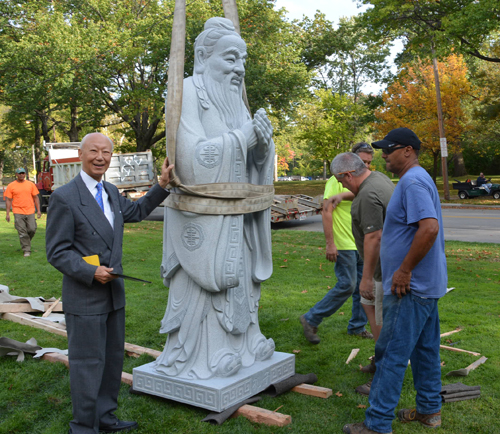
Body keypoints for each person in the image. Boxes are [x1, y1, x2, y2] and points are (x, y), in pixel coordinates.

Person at [154, 17, 275, 380]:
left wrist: (263, 146)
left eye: (243, 60)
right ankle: (205, 354)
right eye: (231, 59)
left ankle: (246, 342)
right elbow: (189, 159)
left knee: (242, 281)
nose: (239, 68)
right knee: (207, 289)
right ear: (204, 57)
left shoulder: (237, 101)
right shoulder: (188, 91)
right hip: (201, 217)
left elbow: (253, 161)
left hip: (239, 216)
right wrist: (243, 138)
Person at [46, 132, 174, 434]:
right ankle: (84, 426)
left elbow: (138, 211)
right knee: (87, 363)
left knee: (112, 360)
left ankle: (105, 417)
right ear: (81, 154)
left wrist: (162, 185)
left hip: (114, 294)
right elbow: (57, 252)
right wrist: (91, 272)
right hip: (85, 294)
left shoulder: (112, 192)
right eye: (93, 151)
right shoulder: (65, 197)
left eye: (105, 152)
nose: (100, 157)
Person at [343, 127, 447, 434]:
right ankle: (429, 411)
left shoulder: (413, 181)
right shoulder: (416, 178)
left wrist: (404, 270)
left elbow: (428, 228)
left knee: (390, 354)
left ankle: (376, 424)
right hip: (426, 286)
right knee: (426, 350)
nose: (384, 154)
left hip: (411, 288)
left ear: (408, 151)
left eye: (390, 148)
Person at [330, 151, 395, 395]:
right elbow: (361, 191)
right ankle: (380, 360)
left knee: (380, 321)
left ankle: (383, 374)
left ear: (348, 174)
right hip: (385, 266)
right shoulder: (377, 178)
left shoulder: (367, 195)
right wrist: (343, 195)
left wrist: (366, 278)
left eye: (340, 180)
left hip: (382, 269)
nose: (340, 183)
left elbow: (374, 237)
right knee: (369, 306)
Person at [300, 144, 374, 345]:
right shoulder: (337, 180)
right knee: (347, 285)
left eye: (369, 162)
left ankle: (358, 327)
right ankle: (311, 318)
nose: (366, 165)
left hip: (361, 242)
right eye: (363, 161)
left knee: (365, 288)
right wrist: (330, 244)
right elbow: (327, 210)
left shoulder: (368, 180)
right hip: (344, 243)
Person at [4, 167, 41, 257]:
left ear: (25, 174)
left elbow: (36, 197)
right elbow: (8, 200)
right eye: (19, 173)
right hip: (17, 211)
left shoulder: (30, 184)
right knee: (22, 231)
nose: (21, 175)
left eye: (23, 173)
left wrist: (39, 210)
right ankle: (27, 250)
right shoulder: (11, 186)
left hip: (30, 210)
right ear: (16, 174)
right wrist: (7, 213)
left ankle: (25, 242)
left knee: (32, 229)